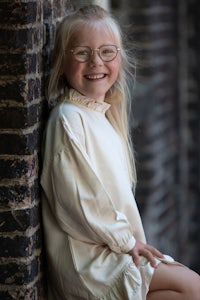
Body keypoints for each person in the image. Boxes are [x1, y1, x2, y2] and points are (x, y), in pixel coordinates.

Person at [40, 4, 200, 300]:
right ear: (63, 62)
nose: (95, 62)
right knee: (191, 287)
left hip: (111, 248)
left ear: (119, 58)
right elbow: (79, 201)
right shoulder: (68, 119)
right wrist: (126, 241)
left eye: (106, 52)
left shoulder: (103, 117)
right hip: (88, 261)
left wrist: (128, 242)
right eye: (82, 52)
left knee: (189, 287)